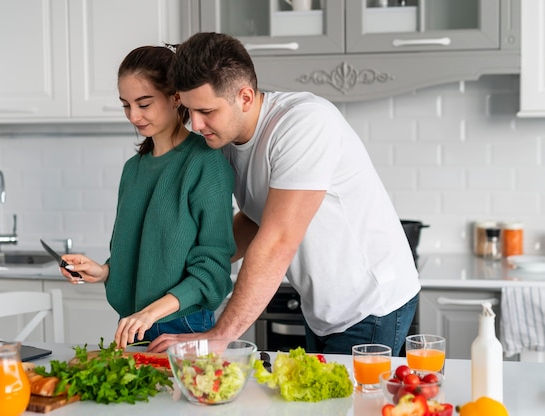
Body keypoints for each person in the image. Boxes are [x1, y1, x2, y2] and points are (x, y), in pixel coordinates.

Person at [148, 32, 421, 355]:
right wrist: (187, 267)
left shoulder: (303, 123)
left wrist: (220, 334)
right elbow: (255, 218)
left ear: (245, 97)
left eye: (206, 111)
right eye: (190, 111)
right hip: (322, 308)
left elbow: (277, 240)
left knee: (350, 406)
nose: (196, 124)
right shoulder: (227, 140)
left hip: (371, 304)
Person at [59, 45, 236, 348]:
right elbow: (143, 255)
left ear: (175, 97)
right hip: (133, 325)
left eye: (144, 103)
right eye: (126, 105)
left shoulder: (206, 162)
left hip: (183, 324)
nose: (133, 116)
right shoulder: (133, 169)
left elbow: (213, 269)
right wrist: (102, 271)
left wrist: (150, 314)